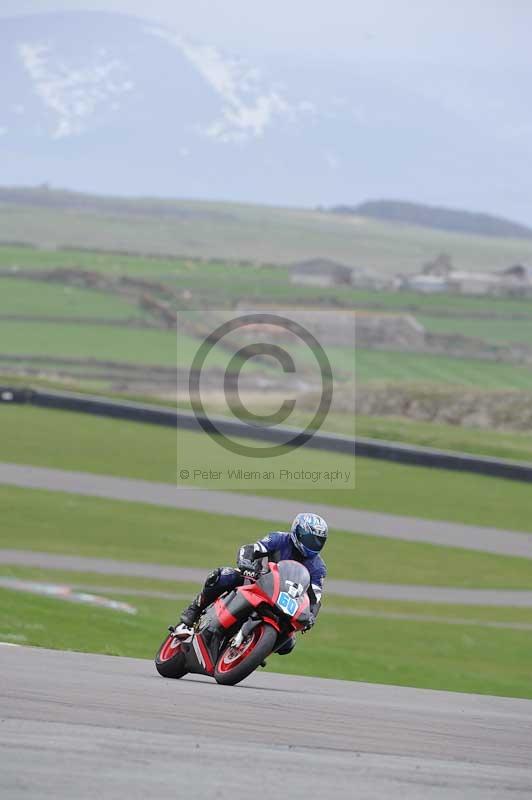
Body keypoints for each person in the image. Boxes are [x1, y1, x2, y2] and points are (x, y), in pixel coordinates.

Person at [179, 512, 328, 655]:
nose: (314, 544)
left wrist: (311, 616)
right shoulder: (279, 539)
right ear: (298, 532)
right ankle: (194, 610)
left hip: (284, 600)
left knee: (288, 643)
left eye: (318, 541)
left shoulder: (318, 567)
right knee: (223, 576)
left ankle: (254, 652)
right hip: (257, 580)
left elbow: (315, 597)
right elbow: (252, 549)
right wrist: (245, 563)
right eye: (310, 539)